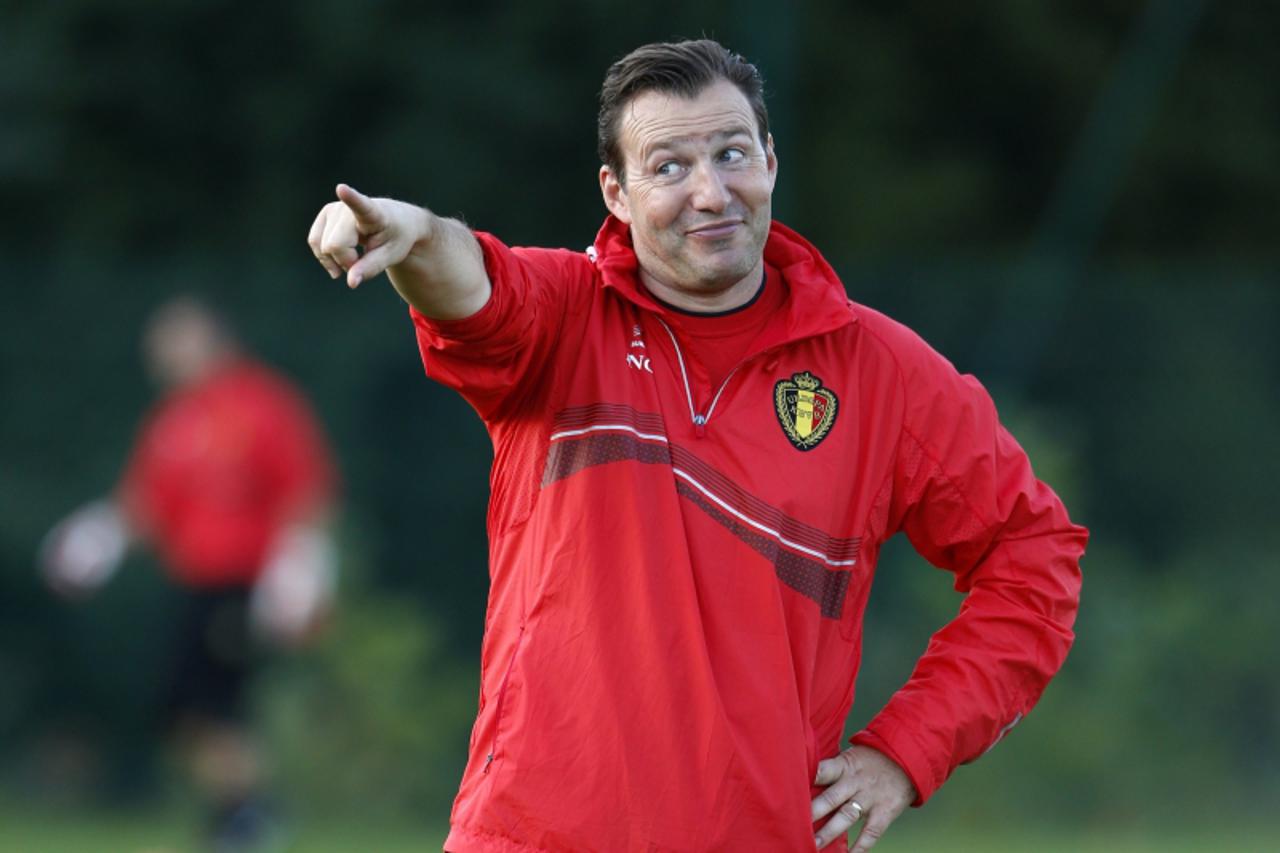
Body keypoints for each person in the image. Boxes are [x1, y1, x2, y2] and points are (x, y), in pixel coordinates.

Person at [307, 39, 1086, 853]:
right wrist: (415, 234)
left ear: (771, 162)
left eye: (732, 153)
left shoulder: (883, 373)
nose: (711, 193)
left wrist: (905, 752)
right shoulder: (566, 320)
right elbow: (475, 286)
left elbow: (1034, 554)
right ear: (616, 192)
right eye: (669, 166)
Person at [41, 295, 339, 851]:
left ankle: (247, 818)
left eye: (175, 340)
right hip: (192, 582)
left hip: (242, 582)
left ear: (212, 338)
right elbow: (148, 504)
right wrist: (97, 537)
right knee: (182, 708)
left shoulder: (261, 404)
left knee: (212, 703)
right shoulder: (173, 420)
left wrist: (300, 566)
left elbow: (305, 489)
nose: (162, 354)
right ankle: (244, 811)